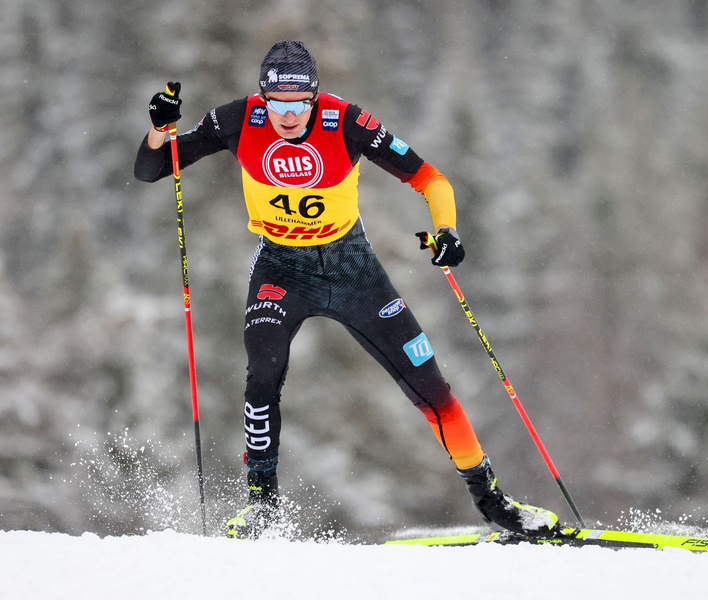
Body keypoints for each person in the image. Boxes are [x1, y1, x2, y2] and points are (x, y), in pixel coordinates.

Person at [134, 40, 559, 539]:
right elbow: (153, 169)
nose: (288, 116)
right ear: (262, 98)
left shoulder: (347, 122)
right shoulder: (237, 120)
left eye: (299, 104)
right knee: (263, 370)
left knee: (431, 388)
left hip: (352, 267)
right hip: (280, 267)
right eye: (277, 104)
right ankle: (262, 507)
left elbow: (431, 180)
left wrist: (446, 232)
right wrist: (160, 129)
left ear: (315, 98)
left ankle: (495, 503)